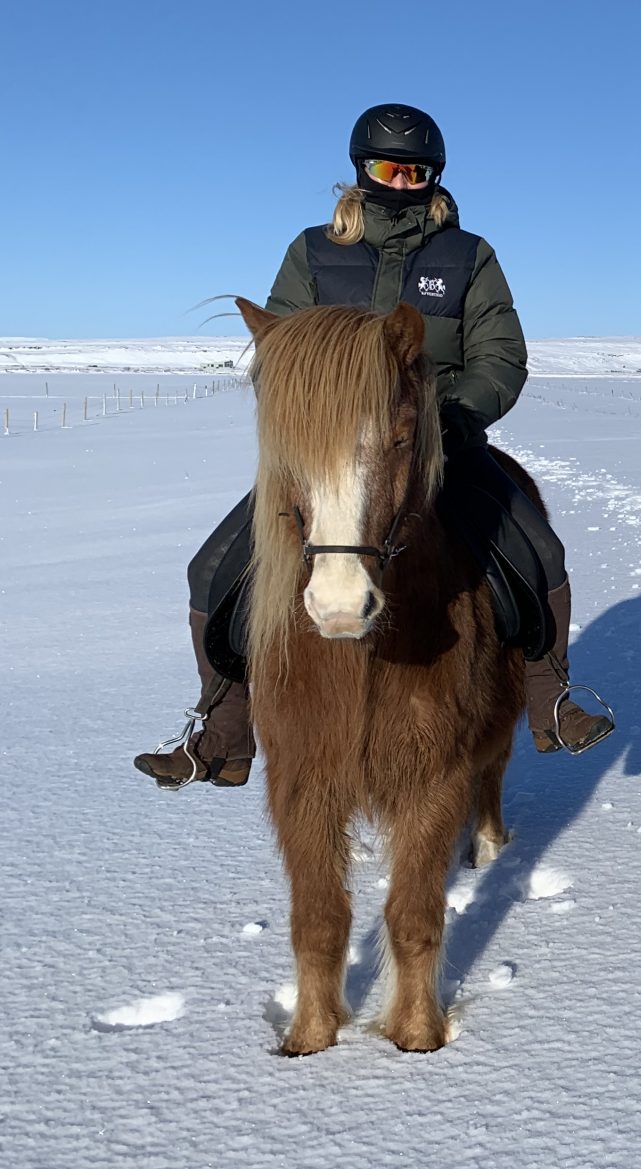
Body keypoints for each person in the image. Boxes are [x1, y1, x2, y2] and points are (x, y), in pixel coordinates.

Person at [133, 104, 613, 788]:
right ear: (360, 172)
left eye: (419, 172)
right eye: (390, 168)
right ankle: (223, 727)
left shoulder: (468, 256)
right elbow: (280, 352)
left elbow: (501, 356)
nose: (404, 182)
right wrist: (318, 416)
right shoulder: (313, 252)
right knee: (212, 570)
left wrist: (444, 417)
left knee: (540, 551)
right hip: (329, 455)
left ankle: (551, 698)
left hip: (437, 443)